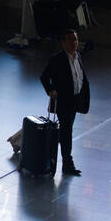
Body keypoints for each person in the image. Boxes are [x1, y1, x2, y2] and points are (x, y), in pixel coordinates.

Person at [40, 29, 89, 176]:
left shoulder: (78, 56)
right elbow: (44, 76)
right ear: (63, 43)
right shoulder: (57, 59)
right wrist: (50, 90)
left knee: (66, 130)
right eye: (70, 40)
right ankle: (68, 163)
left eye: (75, 39)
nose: (74, 43)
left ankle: (53, 148)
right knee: (67, 132)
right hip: (63, 101)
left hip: (75, 100)